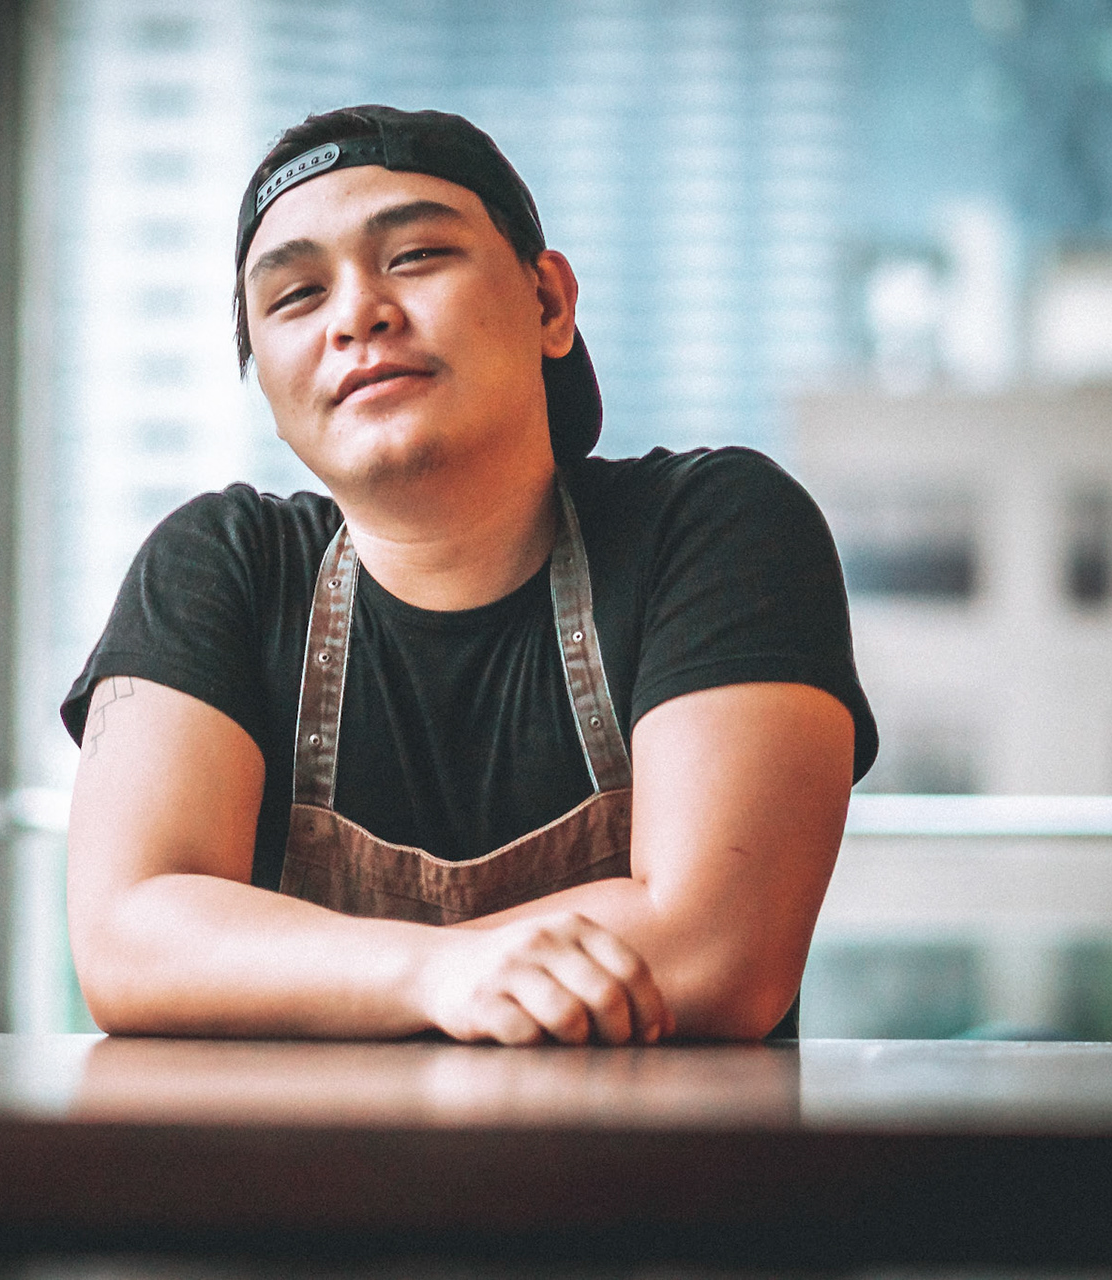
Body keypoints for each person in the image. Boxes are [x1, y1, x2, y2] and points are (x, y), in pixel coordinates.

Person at [61, 105, 878, 1045]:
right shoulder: (220, 568)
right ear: (269, 391)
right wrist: (434, 972)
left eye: (414, 256)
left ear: (549, 304)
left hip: (645, 1148)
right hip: (304, 1150)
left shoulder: (714, 529)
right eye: (295, 297)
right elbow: (128, 941)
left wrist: (280, 963)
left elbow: (716, 950)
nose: (357, 315)